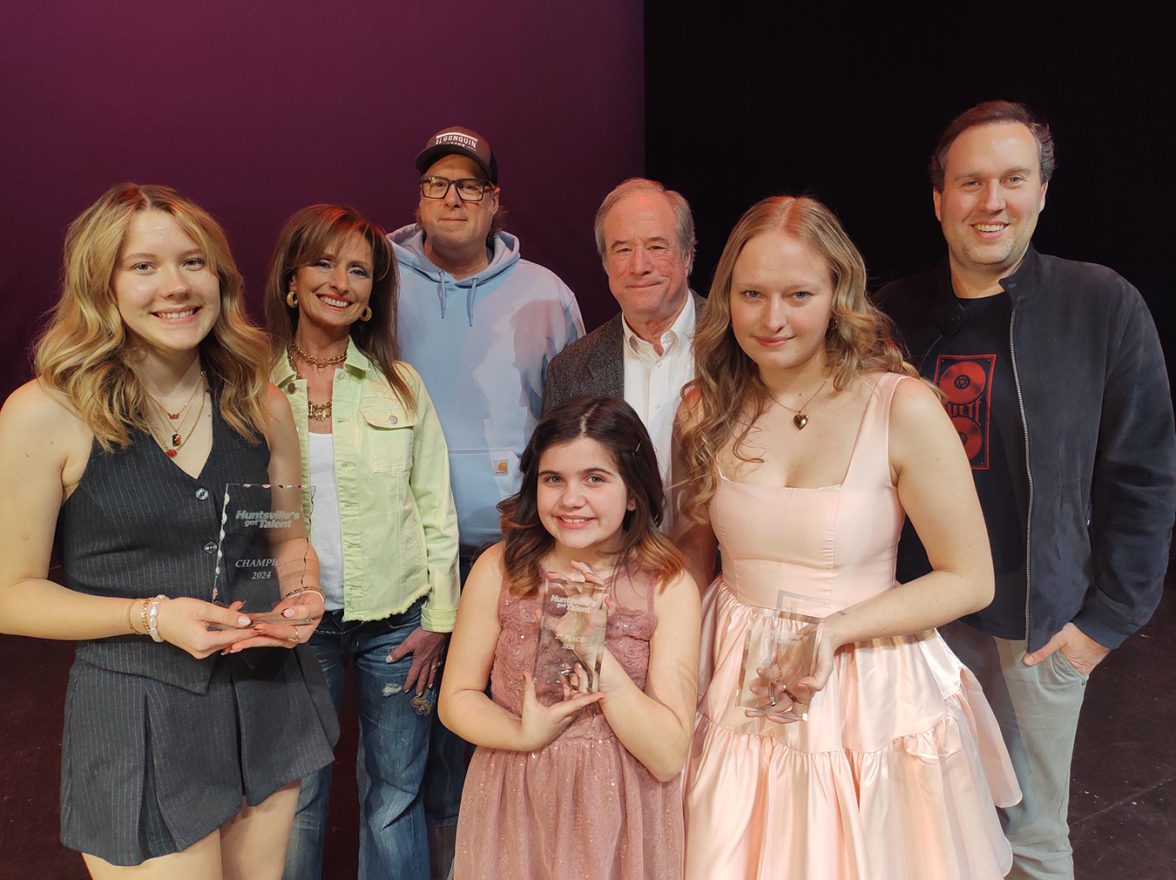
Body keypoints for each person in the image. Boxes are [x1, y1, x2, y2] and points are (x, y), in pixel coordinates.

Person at [675, 195, 1021, 879]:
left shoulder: (902, 406)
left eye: (798, 293)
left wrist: (832, 633)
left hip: (864, 678)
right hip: (731, 670)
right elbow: (691, 554)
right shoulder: (703, 407)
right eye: (751, 294)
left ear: (838, 292)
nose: (772, 319)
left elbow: (969, 577)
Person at [0, 183, 337, 879]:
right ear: (103, 285)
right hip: (136, 714)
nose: (176, 286)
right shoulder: (45, 414)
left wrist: (303, 595)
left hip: (266, 694)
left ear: (220, 277)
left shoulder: (261, 402)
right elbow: (10, 592)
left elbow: (284, 537)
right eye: (143, 266)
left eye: (194, 262)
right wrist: (151, 616)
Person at [876, 100, 1176, 880]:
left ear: (1042, 190)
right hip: (920, 624)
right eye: (970, 182)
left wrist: (1101, 627)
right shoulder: (887, 317)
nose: (992, 201)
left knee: (1035, 842)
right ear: (939, 199)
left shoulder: (1101, 305)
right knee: (922, 833)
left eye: (1013, 178)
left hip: (1039, 626)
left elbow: (1144, 476)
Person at [389, 125, 584, 873]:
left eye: (468, 185)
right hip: (415, 555)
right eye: (437, 183)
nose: (452, 197)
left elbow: (566, 425)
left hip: (515, 554)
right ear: (420, 196)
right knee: (425, 748)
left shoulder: (546, 296)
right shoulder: (380, 279)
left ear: (494, 200)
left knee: (514, 727)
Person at [265, 205, 460, 880]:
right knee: (297, 797)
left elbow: (436, 509)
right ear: (291, 281)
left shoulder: (401, 387)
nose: (341, 282)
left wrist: (440, 621)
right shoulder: (250, 389)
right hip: (293, 626)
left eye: (359, 270)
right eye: (323, 263)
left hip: (397, 625)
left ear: (374, 294)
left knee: (394, 798)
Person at [439, 396, 700, 879]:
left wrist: (589, 640)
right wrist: (522, 733)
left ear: (634, 492)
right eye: (552, 479)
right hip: (514, 798)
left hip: (620, 813)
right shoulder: (502, 568)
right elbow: (456, 698)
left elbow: (667, 756)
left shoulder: (667, 586)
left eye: (595, 479)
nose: (570, 499)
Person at [544, 179, 704, 508]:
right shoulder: (570, 371)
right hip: (610, 558)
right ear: (605, 263)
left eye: (657, 247)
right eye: (623, 249)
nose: (639, 266)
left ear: (687, 255)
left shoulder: (740, 344)